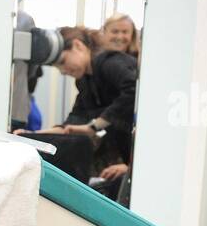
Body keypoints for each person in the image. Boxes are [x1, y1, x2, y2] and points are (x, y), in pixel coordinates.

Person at [18, 26, 137, 176]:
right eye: (57, 67)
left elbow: (134, 90)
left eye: (63, 62)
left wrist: (95, 126)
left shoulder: (109, 63)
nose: (63, 71)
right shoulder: (84, 82)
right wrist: (32, 135)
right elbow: (74, 122)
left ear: (78, 46)